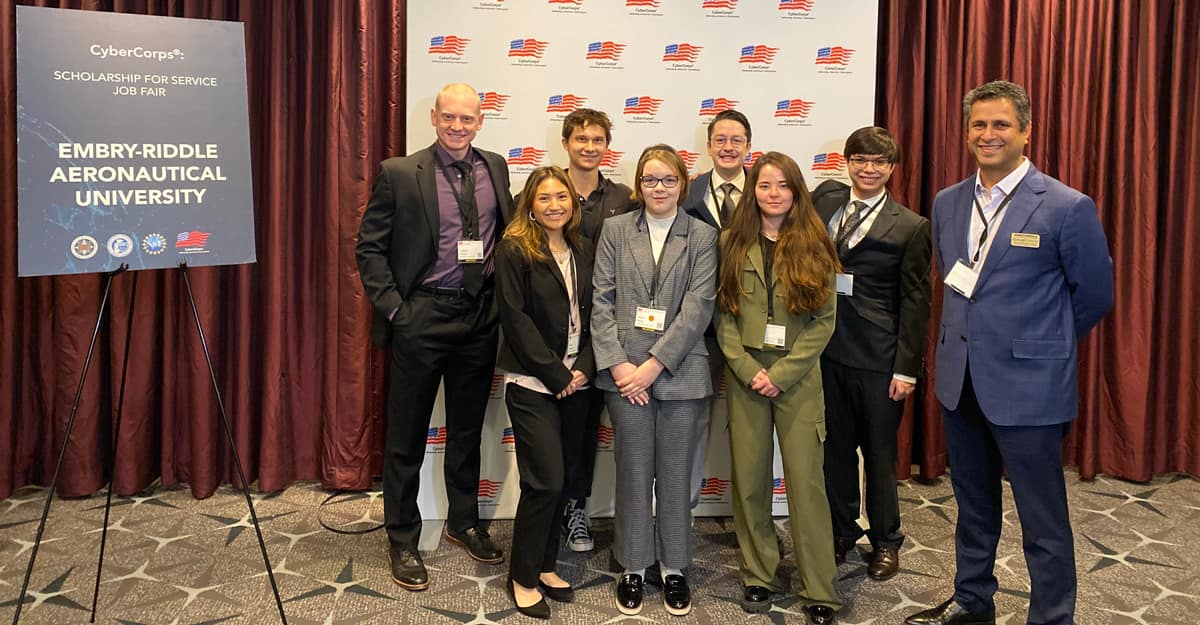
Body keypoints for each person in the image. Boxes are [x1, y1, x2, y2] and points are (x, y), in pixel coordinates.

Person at [905, 81, 1113, 625]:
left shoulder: (1067, 207)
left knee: (1042, 519)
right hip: (961, 381)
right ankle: (974, 603)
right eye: (978, 124)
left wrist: (1038, 346)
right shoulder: (947, 202)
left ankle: (1051, 617)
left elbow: (1093, 296)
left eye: (1000, 125)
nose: (988, 134)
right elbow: (954, 282)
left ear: (1026, 131)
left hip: (1030, 390)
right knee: (972, 509)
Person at [356, 82, 514, 591]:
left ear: (480, 120)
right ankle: (402, 537)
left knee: (467, 430)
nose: (457, 126)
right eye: (448, 117)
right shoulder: (400, 173)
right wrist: (398, 310)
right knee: (406, 435)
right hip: (421, 316)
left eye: (466, 119)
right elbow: (370, 249)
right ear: (434, 117)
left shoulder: (496, 166)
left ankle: (463, 523)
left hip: (478, 319)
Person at [714, 151, 841, 625]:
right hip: (746, 374)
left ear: (796, 191)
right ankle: (759, 574)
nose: (773, 194)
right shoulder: (731, 241)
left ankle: (819, 589)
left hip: (798, 376)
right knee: (749, 481)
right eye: (765, 186)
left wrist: (782, 373)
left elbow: (823, 322)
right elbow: (723, 315)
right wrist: (748, 370)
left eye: (783, 186)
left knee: (806, 485)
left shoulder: (815, 242)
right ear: (753, 192)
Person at [591, 145, 717, 617]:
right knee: (634, 473)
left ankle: (674, 568)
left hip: (680, 374)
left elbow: (698, 307)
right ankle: (633, 565)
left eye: (667, 180)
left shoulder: (702, 236)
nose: (658, 188)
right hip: (625, 377)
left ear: (682, 184)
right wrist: (621, 366)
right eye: (649, 180)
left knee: (677, 476)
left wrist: (654, 365)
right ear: (638, 184)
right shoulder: (616, 230)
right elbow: (601, 300)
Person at [812, 126, 931, 580]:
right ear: (847, 162)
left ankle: (886, 541)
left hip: (880, 360)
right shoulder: (827, 200)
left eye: (879, 162)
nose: (868, 168)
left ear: (891, 169)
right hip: (827, 352)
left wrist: (907, 369)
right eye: (860, 159)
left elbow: (917, 300)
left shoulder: (910, 225)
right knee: (835, 451)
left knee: (880, 456)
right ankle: (842, 532)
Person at [494, 166, 594, 619]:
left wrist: (585, 368)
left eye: (562, 197)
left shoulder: (582, 248)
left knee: (567, 477)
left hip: (578, 380)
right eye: (545, 198)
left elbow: (597, 314)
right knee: (545, 480)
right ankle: (522, 575)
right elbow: (516, 322)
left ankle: (547, 563)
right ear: (530, 205)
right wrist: (558, 376)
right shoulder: (515, 250)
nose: (555, 205)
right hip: (535, 383)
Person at [556, 107, 634, 553]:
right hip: (561, 335)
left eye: (597, 140)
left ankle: (589, 508)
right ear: (566, 143)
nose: (589, 147)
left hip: (614, 334)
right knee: (572, 431)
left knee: (603, 432)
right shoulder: (547, 190)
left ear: (607, 146)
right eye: (581, 139)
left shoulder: (624, 197)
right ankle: (567, 507)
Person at [680, 109, 753, 512]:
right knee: (692, 426)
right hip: (698, 332)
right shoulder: (685, 193)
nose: (728, 147)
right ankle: (681, 521)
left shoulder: (768, 190)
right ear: (708, 146)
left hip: (753, 328)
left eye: (736, 140)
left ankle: (752, 526)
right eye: (720, 140)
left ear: (748, 146)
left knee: (753, 431)